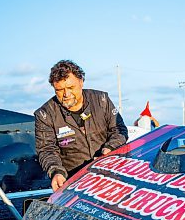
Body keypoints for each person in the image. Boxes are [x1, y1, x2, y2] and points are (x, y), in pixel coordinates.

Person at [35, 60, 128, 191]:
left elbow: (120, 130)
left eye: (71, 88)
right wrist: (56, 171)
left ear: (81, 81)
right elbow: (46, 150)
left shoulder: (102, 100)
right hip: (75, 183)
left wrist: (109, 149)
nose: (66, 94)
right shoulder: (45, 114)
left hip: (110, 175)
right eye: (60, 90)